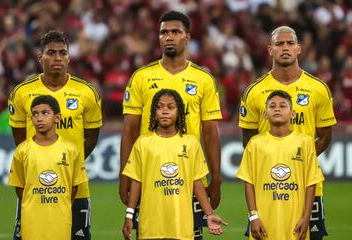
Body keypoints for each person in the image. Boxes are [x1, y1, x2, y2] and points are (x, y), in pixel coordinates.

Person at [120, 10, 222, 239]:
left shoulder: (203, 79)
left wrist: (216, 177)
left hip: (188, 176)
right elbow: (130, 130)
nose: (169, 36)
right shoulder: (141, 77)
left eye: (176, 32)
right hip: (149, 177)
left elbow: (211, 132)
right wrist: (123, 174)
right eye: (164, 32)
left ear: (187, 37)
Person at [239, 26, 336, 240]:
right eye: (279, 44)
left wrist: (299, 163)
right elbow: (248, 139)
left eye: (290, 43)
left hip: (307, 187)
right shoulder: (254, 91)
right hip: (267, 188)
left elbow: (325, 136)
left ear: (299, 49)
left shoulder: (318, 88)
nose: (285, 48)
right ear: (270, 50)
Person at [8, 30, 102, 240]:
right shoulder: (21, 93)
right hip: (35, 183)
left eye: (62, 53)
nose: (57, 58)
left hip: (75, 185)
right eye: (51, 53)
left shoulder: (87, 92)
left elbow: (92, 136)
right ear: (40, 57)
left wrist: (69, 166)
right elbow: (19, 140)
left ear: (69, 57)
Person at [122, 89, 226, 240]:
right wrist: (129, 215)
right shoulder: (143, 143)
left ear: (179, 112)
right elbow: (137, 181)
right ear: (153, 112)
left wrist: (209, 214)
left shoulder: (191, 143)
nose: (164, 111)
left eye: (170, 107)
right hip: (150, 226)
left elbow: (196, 181)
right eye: (160, 107)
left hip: (181, 227)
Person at [237, 90, 324, 240]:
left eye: (283, 106)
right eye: (272, 106)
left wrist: (306, 217)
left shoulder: (305, 142)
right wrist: (253, 217)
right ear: (265, 114)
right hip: (264, 223)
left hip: (295, 224)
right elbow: (248, 182)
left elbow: (311, 182)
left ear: (293, 114)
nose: (277, 108)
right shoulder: (255, 143)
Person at [8, 95, 88, 239]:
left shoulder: (70, 150)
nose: (39, 118)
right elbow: (20, 188)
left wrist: (60, 205)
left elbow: (74, 187)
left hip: (61, 222)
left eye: (45, 113)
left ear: (57, 118)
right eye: (35, 114)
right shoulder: (22, 151)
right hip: (32, 223)